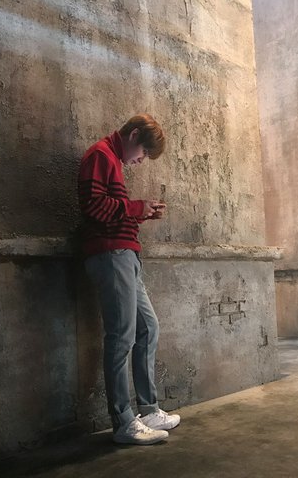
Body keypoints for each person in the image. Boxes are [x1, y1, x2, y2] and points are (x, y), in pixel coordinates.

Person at [78, 113, 180, 445]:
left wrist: (141, 212)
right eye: (143, 152)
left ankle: (148, 410)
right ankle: (123, 422)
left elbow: (110, 210)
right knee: (121, 337)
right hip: (110, 254)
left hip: (124, 254)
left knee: (147, 328)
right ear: (133, 134)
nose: (141, 160)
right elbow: (94, 207)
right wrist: (136, 208)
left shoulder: (111, 159)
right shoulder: (100, 154)